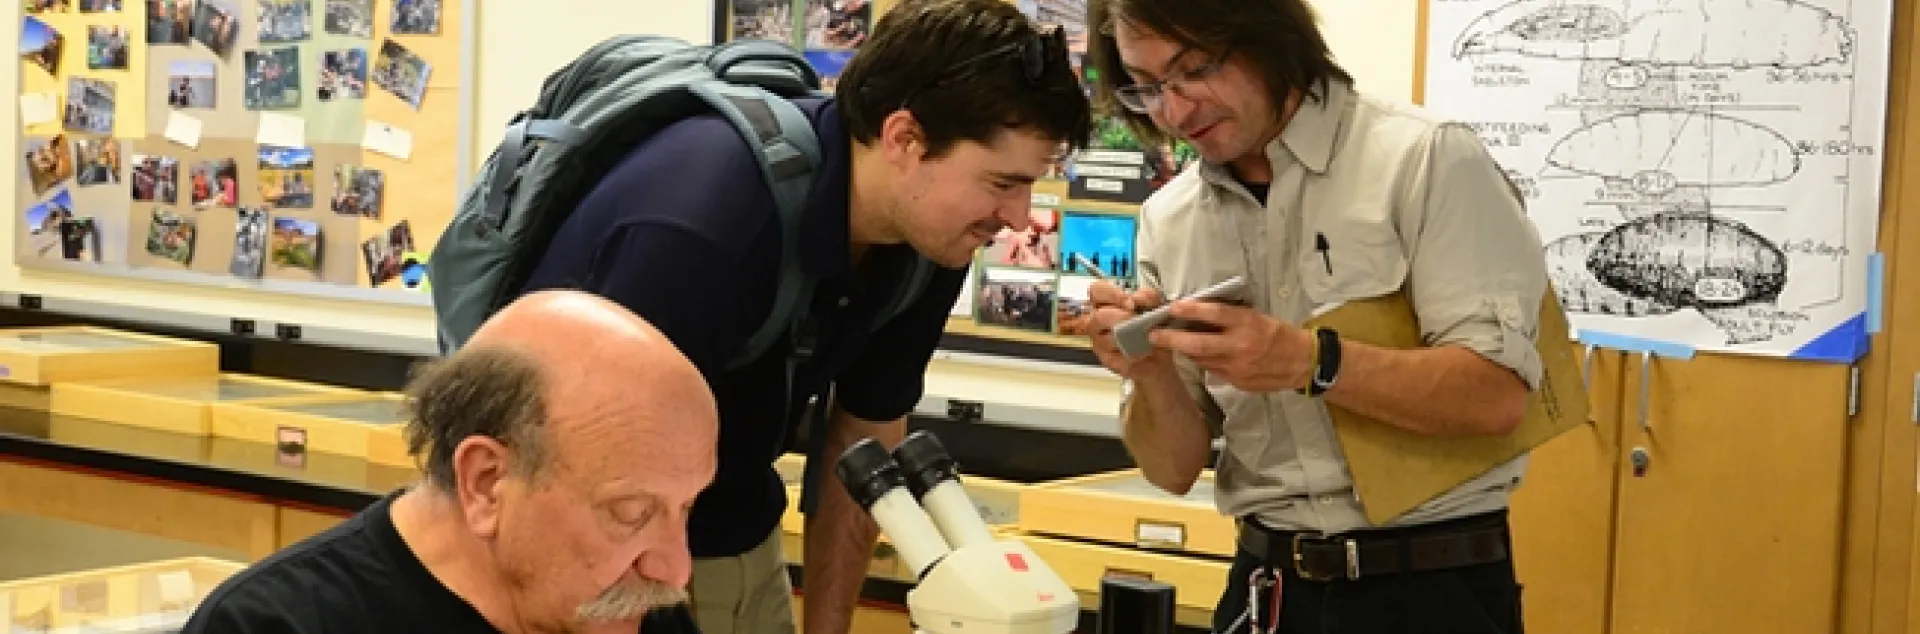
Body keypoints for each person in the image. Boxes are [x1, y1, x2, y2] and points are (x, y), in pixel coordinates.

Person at [513, 1, 1090, 632]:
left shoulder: (930, 238)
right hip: (605, 552)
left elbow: (863, 445)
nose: (1018, 216)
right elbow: (574, 483)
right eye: (1001, 183)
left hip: (742, 533)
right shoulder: (703, 225)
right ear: (903, 138)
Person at [1077, 1, 1549, 632]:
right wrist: (1151, 371)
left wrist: (1311, 362)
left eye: (1197, 69)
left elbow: (1496, 399)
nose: (1176, 111)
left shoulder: (1423, 160)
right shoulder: (1170, 219)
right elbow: (1172, 469)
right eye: (1149, 86)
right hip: (1265, 588)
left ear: (1269, 34)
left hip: (1429, 588)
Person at [179, 290, 720, 634]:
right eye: (631, 513)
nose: (675, 568)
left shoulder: (635, 612)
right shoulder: (273, 626)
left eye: (687, 508)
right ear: (486, 483)